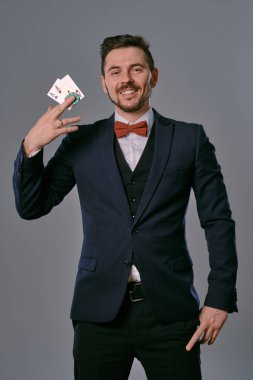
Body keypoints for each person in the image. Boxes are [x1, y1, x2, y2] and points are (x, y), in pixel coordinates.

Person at [13, 34, 238, 380]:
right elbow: (31, 206)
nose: (126, 79)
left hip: (171, 311)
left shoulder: (191, 139)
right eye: (115, 72)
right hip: (98, 313)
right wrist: (31, 145)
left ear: (153, 76)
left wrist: (220, 298)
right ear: (104, 84)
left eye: (136, 69)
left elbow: (218, 220)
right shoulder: (80, 142)